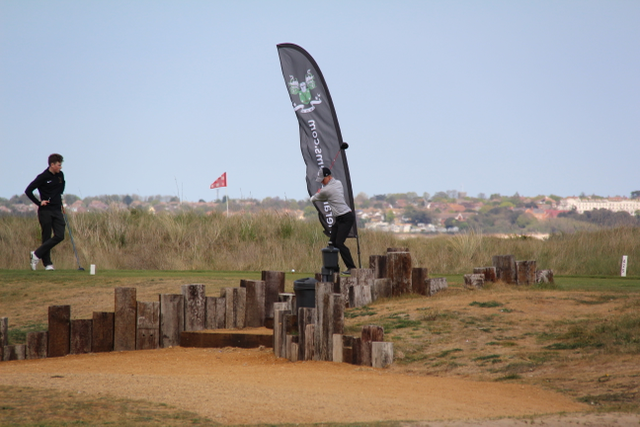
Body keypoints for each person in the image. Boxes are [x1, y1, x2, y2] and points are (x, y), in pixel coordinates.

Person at [310, 166, 356, 274]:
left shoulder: (326, 190)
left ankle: (352, 268)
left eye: (323, 180)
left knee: (339, 243)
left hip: (346, 218)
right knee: (332, 243)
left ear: (328, 177)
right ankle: (334, 269)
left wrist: (318, 192)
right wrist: (321, 192)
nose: (322, 182)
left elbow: (314, 199)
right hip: (340, 218)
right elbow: (325, 196)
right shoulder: (338, 183)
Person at [25, 153, 66, 271]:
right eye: (59, 165)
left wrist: (60, 202)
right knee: (46, 236)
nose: (60, 167)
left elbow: (60, 190)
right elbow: (28, 191)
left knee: (60, 235)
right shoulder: (43, 177)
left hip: (57, 209)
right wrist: (39, 203)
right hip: (46, 210)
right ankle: (47, 264)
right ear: (52, 165)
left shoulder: (60, 175)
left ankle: (36, 254)